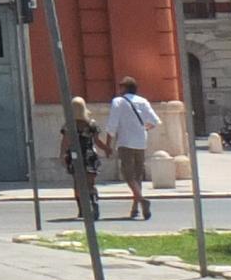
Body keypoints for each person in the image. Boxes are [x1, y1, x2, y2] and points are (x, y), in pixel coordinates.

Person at [103, 75, 162, 220]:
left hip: (125, 142)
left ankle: (142, 200)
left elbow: (112, 125)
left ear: (125, 88)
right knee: (137, 176)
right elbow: (155, 121)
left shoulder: (118, 101)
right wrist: (144, 129)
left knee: (128, 174)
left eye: (120, 86)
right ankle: (135, 208)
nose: (119, 89)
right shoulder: (143, 101)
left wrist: (108, 145)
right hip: (141, 142)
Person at [59, 96, 102, 223]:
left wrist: (62, 155)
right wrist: (107, 148)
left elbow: (65, 142)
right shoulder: (92, 124)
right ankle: (94, 201)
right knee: (91, 183)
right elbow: (97, 141)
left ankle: (82, 209)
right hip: (90, 155)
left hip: (75, 156)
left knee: (78, 183)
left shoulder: (69, 125)